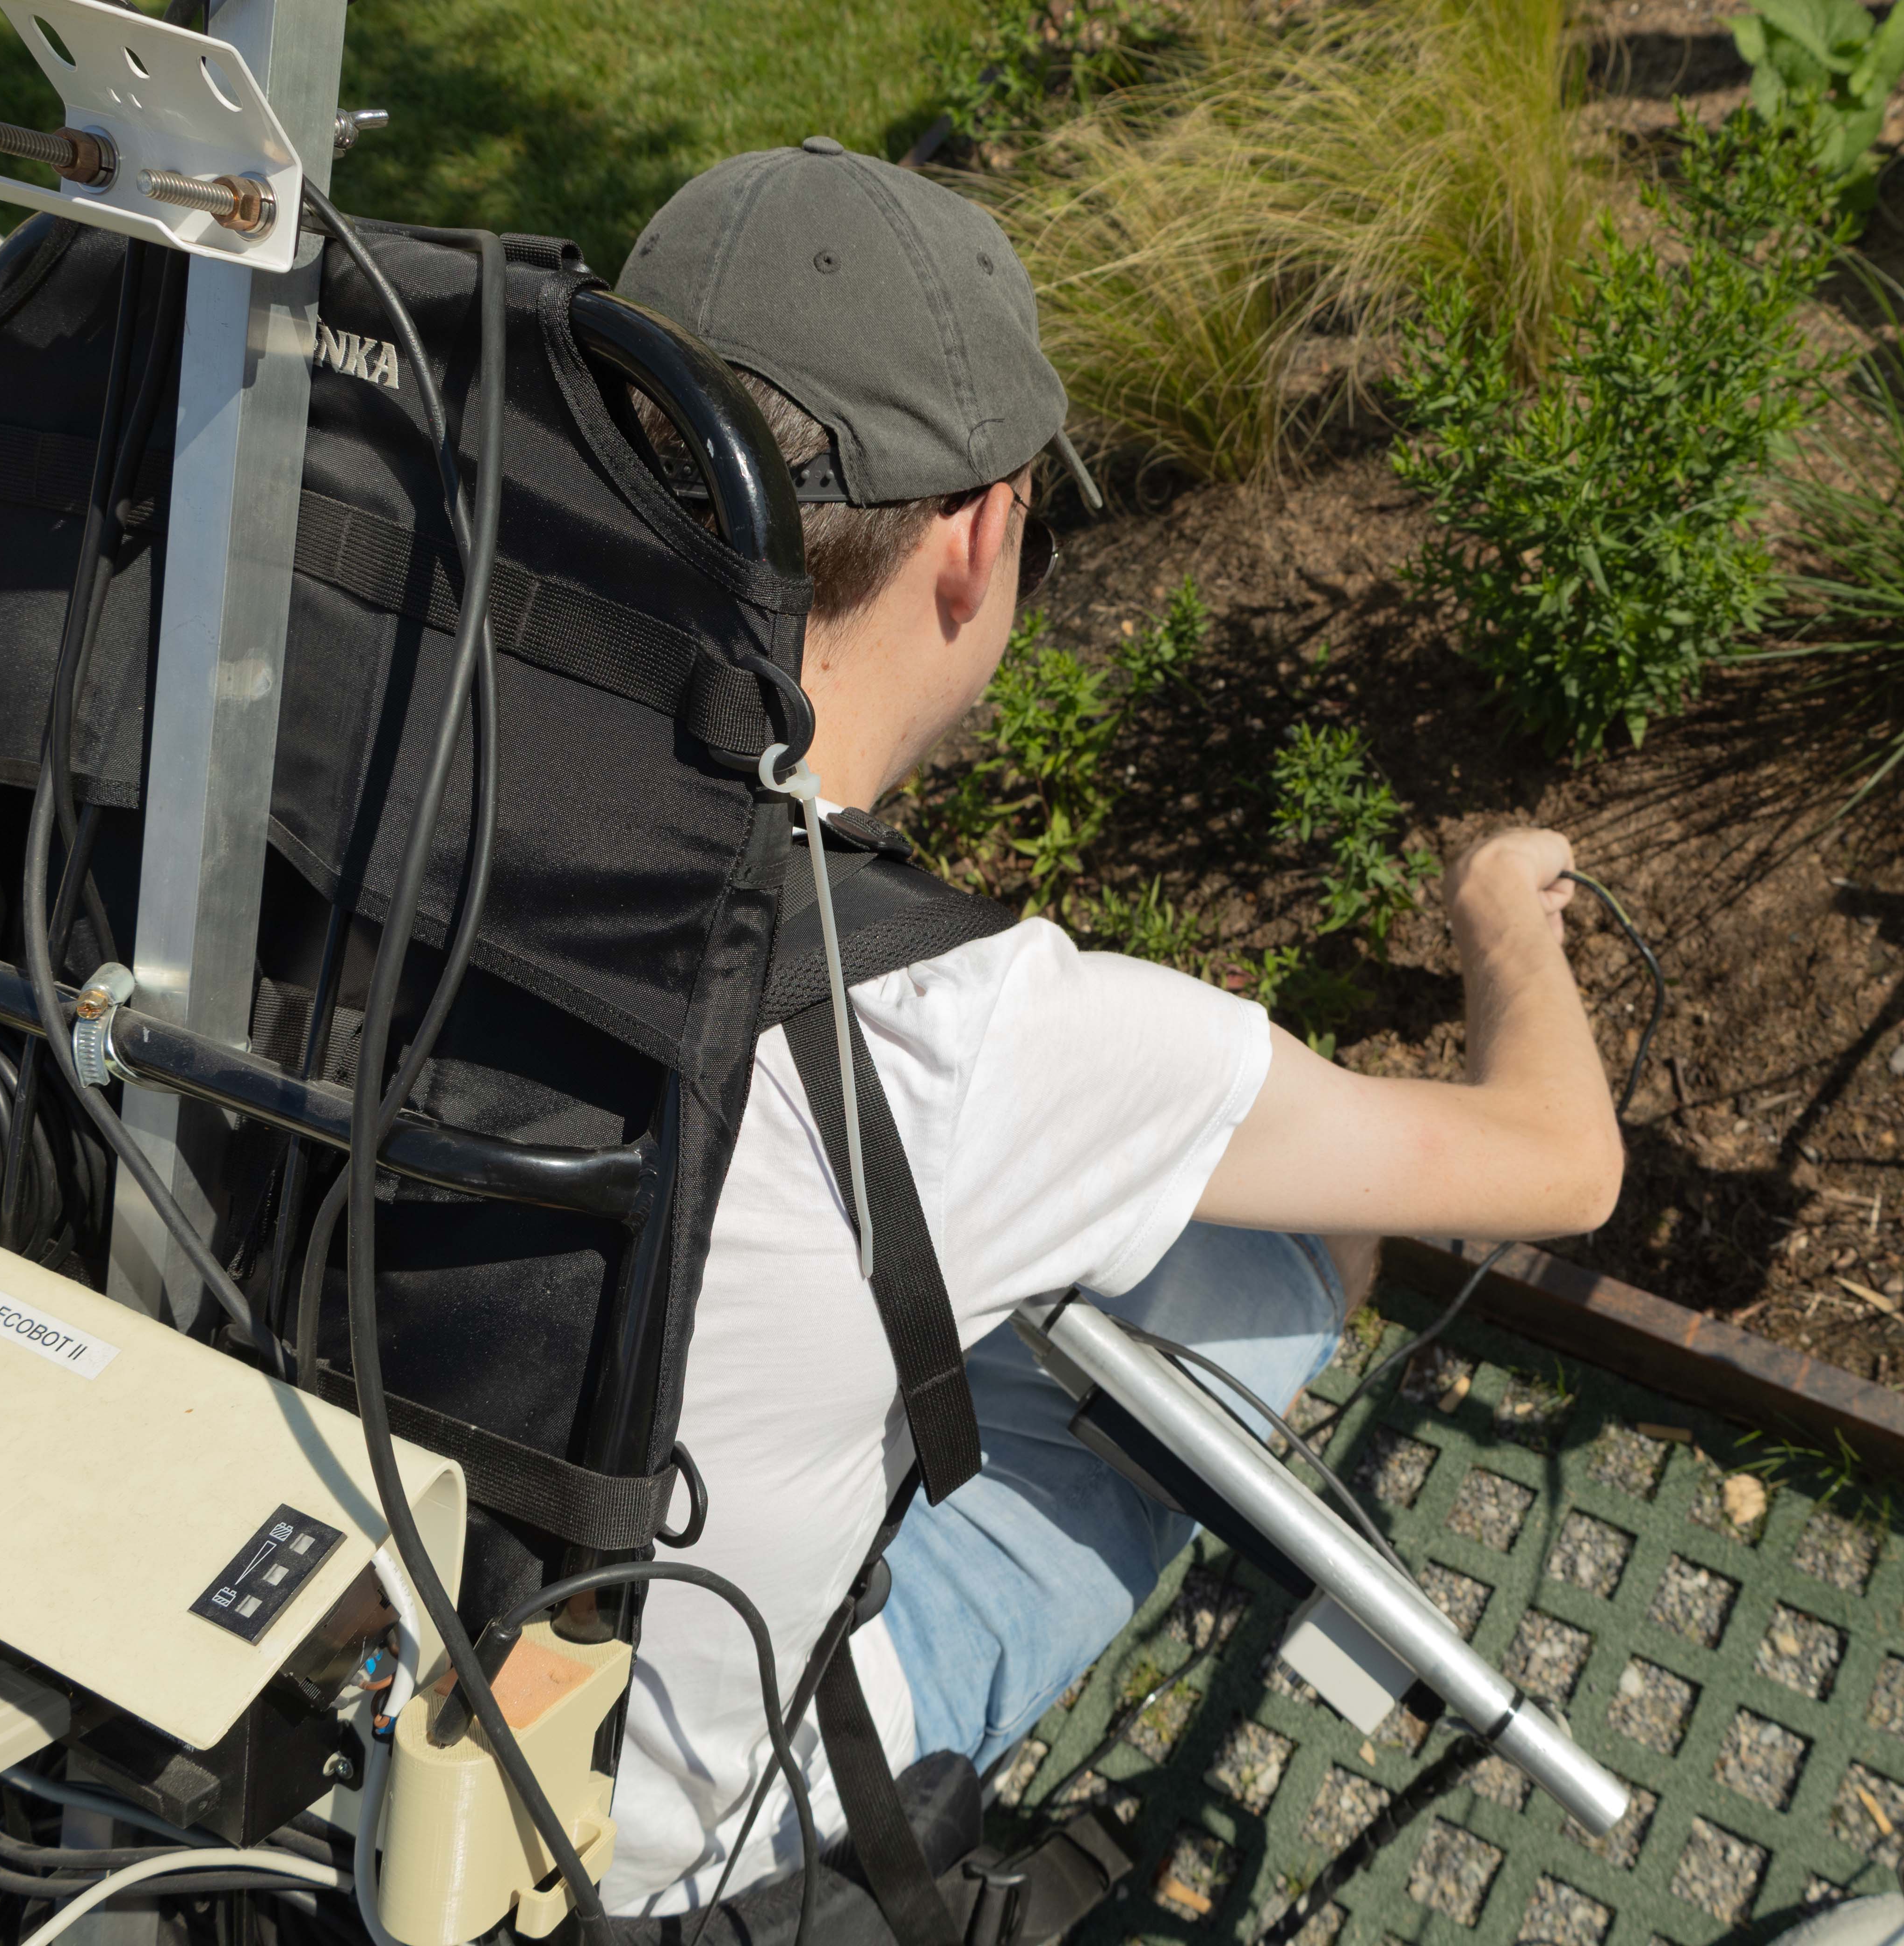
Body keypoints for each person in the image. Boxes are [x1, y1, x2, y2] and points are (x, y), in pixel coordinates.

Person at [596, 139, 1624, 1917]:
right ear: (981, 535)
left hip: (357, 1652)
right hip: (666, 1833)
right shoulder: (977, 1035)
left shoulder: (374, 777)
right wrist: (1500, 921)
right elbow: (1563, 1166)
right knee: (1302, 1243)